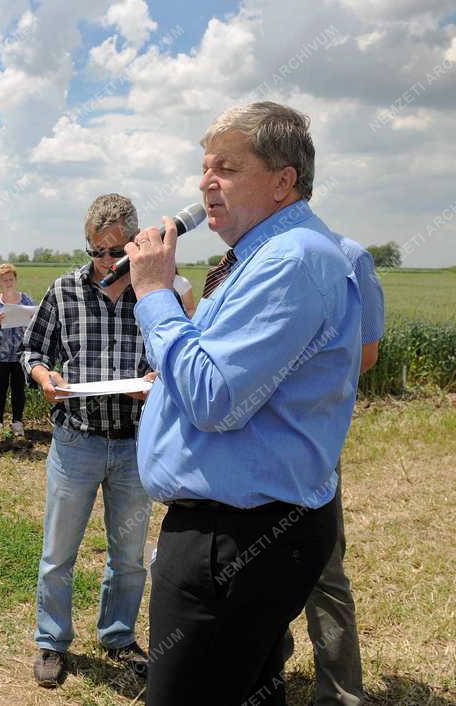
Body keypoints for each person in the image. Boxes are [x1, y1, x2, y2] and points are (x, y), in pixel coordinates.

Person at [125, 102, 363, 706]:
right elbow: (219, 374)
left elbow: (215, 399)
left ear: (284, 180)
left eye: (227, 168)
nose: (207, 182)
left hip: (234, 538)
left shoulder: (291, 260)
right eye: (204, 167)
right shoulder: (261, 257)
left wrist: (153, 293)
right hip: (242, 530)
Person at [22, 194, 155, 688]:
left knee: (129, 554)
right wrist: (42, 374)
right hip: (76, 441)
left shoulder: (153, 296)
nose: (104, 261)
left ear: (134, 245)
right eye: (96, 250)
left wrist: (158, 376)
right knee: (59, 551)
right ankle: (52, 642)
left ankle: (118, 637)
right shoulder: (64, 291)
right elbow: (32, 349)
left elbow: (173, 354)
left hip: (134, 444)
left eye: (114, 251)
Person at [280, 235, 385, 706]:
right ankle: (264, 673)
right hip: (245, 442)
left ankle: (341, 693)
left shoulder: (350, 258)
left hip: (310, 441)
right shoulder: (246, 254)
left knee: (323, 565)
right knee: (256, 560)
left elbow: (366, 354)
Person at [0, 263, 35, 438]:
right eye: (5, 280)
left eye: (11, 279)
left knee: (19, 389)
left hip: (20, 355)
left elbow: (35, 322)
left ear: (15, 280)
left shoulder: (26, 300)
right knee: (0, 388)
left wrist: (33, 318)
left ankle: (17, 422)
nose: (9, 283)